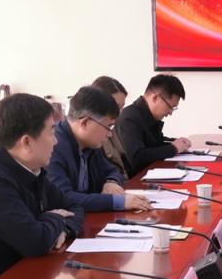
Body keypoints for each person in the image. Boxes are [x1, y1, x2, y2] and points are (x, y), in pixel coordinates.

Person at [0, 93, 83, 276]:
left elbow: (75, 207)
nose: (56, 141)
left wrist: (64, 229)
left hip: (30, 273)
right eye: (51, 132)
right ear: (27, 142)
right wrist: (56, 218)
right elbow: (35, 242)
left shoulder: (32, 169)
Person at [48, 86, 151, 214]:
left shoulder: (89, 142)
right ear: (85, 123)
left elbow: (112, 170)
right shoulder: (53, 147)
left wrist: (111, 182)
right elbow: (63, 198)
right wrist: (116, 202)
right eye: (108, 126)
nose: (110, 134)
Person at [114, 74, 191, 176]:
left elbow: (155, 144)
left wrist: (177, 143)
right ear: (155, 98)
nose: (170, 113)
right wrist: (174, 148)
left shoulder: (147, 115)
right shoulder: (129, 118)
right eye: (170, 107)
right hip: (135, 180)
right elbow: (137, 158)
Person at [90, 75, 130, 171]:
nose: (120, 112)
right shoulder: (92, 134)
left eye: (122, 107)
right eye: (116, 106)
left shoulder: (113, 126)